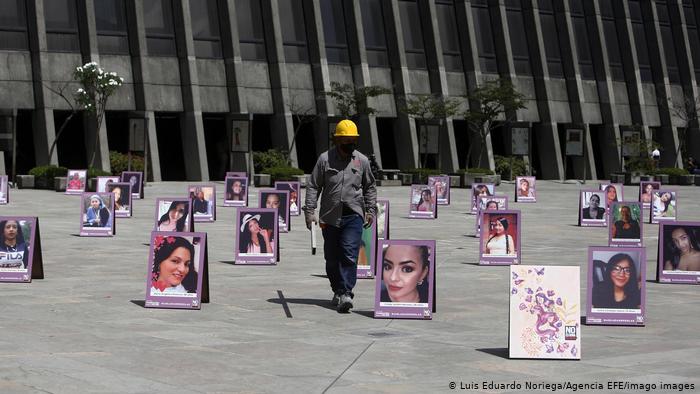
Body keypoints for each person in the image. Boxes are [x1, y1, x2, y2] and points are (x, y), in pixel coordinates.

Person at [304, 119, 377, 313]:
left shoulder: (361, 161)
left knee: (349, 253)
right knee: (331, 258)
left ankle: (346, 293)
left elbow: (369, 186)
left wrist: (370, 210)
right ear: (337, 141)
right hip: (330, 217)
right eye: (345, 140)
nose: (349, 144)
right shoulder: (325, 160)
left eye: (352, 140)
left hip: (353, 215)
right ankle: (337, 288)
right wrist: (309, 211)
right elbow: (313, 185)